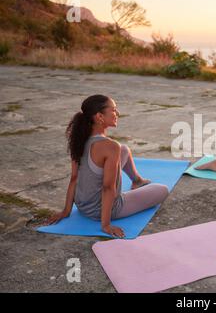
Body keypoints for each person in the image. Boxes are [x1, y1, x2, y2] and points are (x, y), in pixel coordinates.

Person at [46, 95, 169, 238]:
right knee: (162, 190)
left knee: (124, 149)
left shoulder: (79, 139)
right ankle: (135, 185)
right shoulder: (110, 146)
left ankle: (137, 180)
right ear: (99, 116)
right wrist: (106, 224)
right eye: (114, 110)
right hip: (105, 210)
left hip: (82, 205)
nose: (118, 114)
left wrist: (66, 210)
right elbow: (108, 188)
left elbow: (74, 178)